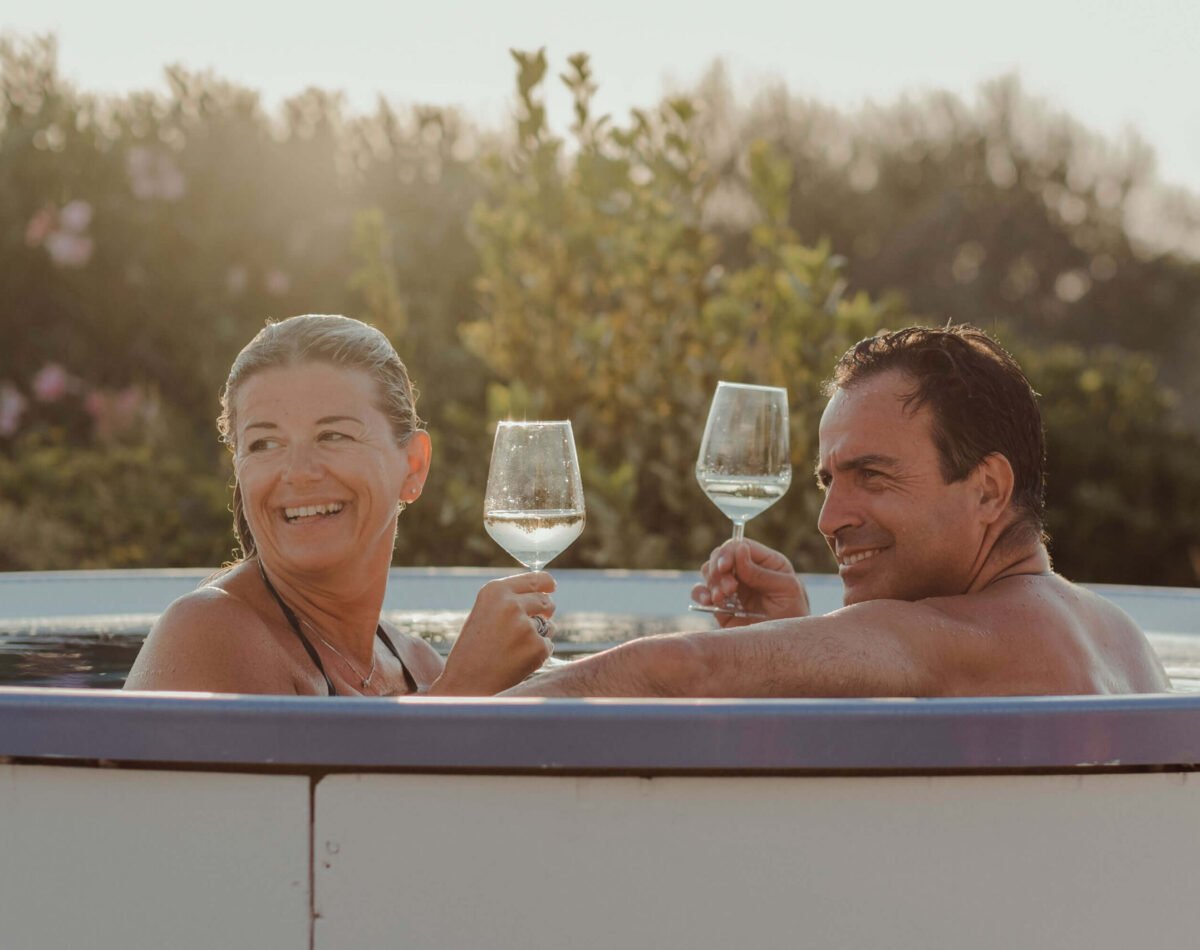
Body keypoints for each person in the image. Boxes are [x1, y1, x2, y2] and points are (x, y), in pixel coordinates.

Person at [503, 325, 1169, 698]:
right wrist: (800, 641)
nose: (829, 519)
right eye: (828, 481)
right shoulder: (1123, 640)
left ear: (989, 488)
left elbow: (675, 670)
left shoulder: (958, 637)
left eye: (871, 475)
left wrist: (459, 701)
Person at [126, 314, 555, 695]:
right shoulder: (207, 632)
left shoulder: (420, 666)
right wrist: (464, 691)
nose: (298, 472)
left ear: (414, 466)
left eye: (333, 436)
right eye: (264, 443)